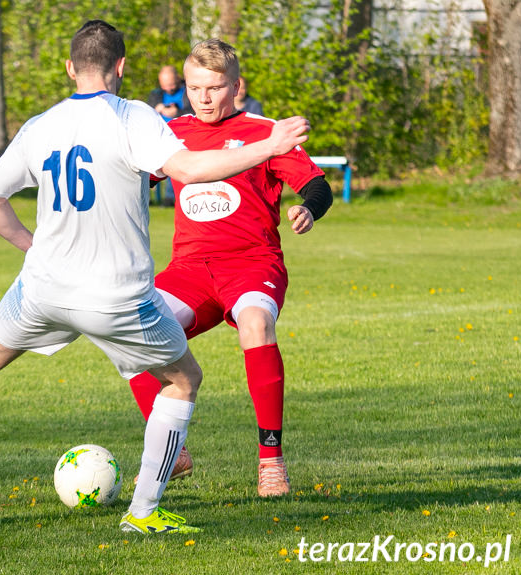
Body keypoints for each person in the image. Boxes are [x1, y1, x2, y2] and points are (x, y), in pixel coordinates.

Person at [0, 20, 310, 534]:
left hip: (41, 289)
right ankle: (144, 513)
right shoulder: (134, 117)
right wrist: (270, 145)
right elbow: (193, 170)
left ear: (70, 68)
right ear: (121, 67)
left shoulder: (39, 125)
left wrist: (32, 245)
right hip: (115, 296)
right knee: (183, 380)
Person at [129, 39, 332, 497]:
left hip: (252, 263)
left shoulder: (266, 132)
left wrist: (310, 209)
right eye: (194, 87)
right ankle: (172, 452)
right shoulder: (171, 133)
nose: (203, 97)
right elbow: (135, 178)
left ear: (235, 86)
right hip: (190, 269)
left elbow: (317, 185)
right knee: (130, 323)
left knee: (255, 323)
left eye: (214, 87)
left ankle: (271, 463)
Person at [147, 66, 192, 207]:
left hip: (182, 135)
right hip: (159, 135)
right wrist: (159, 109)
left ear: (178, 79)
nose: (169, 88)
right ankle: (150, 197)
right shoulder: (156, 94)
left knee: (175, 167)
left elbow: (193, 111)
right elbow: (149, 109)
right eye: (165, 86)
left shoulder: (188, 92)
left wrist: (176, 112)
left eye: (171, 84)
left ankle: (170, 198)